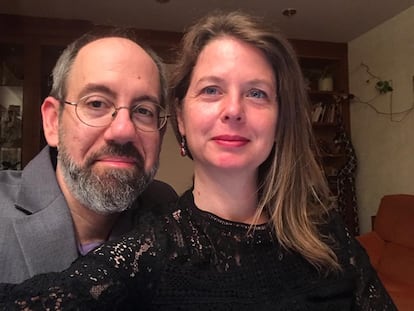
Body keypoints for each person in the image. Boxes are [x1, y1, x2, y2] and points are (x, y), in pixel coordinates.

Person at [0, 11, 396, 310]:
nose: (234, 109)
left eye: (257, 93)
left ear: (281, 119)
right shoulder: (154, 244)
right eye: (211, 90)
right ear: (182, 119)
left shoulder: (325, 231)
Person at [0, 27, 177, 284]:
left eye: (143, 110)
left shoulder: (165, 209)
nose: (123, 130)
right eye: (96, 103)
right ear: (52, 122)